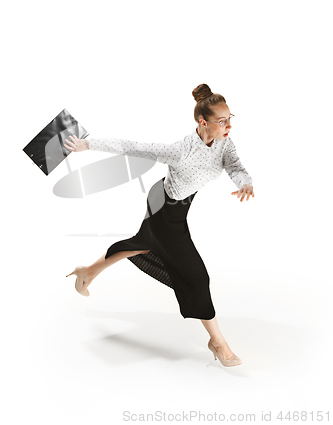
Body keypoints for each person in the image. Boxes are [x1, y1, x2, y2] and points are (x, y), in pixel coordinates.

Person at [64, 84, 255, 368]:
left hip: (173, 202)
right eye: (222, 120)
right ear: (203, 123)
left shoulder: (225, 142)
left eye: (230, 118)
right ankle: (218, 343)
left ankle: (87, 271)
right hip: (166, 211)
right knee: (197, 277)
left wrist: (245, 183)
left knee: (142, 244)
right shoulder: (181, 151)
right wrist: (88, 145)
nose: (229, 125)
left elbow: (235, 165)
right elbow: (134, 147)